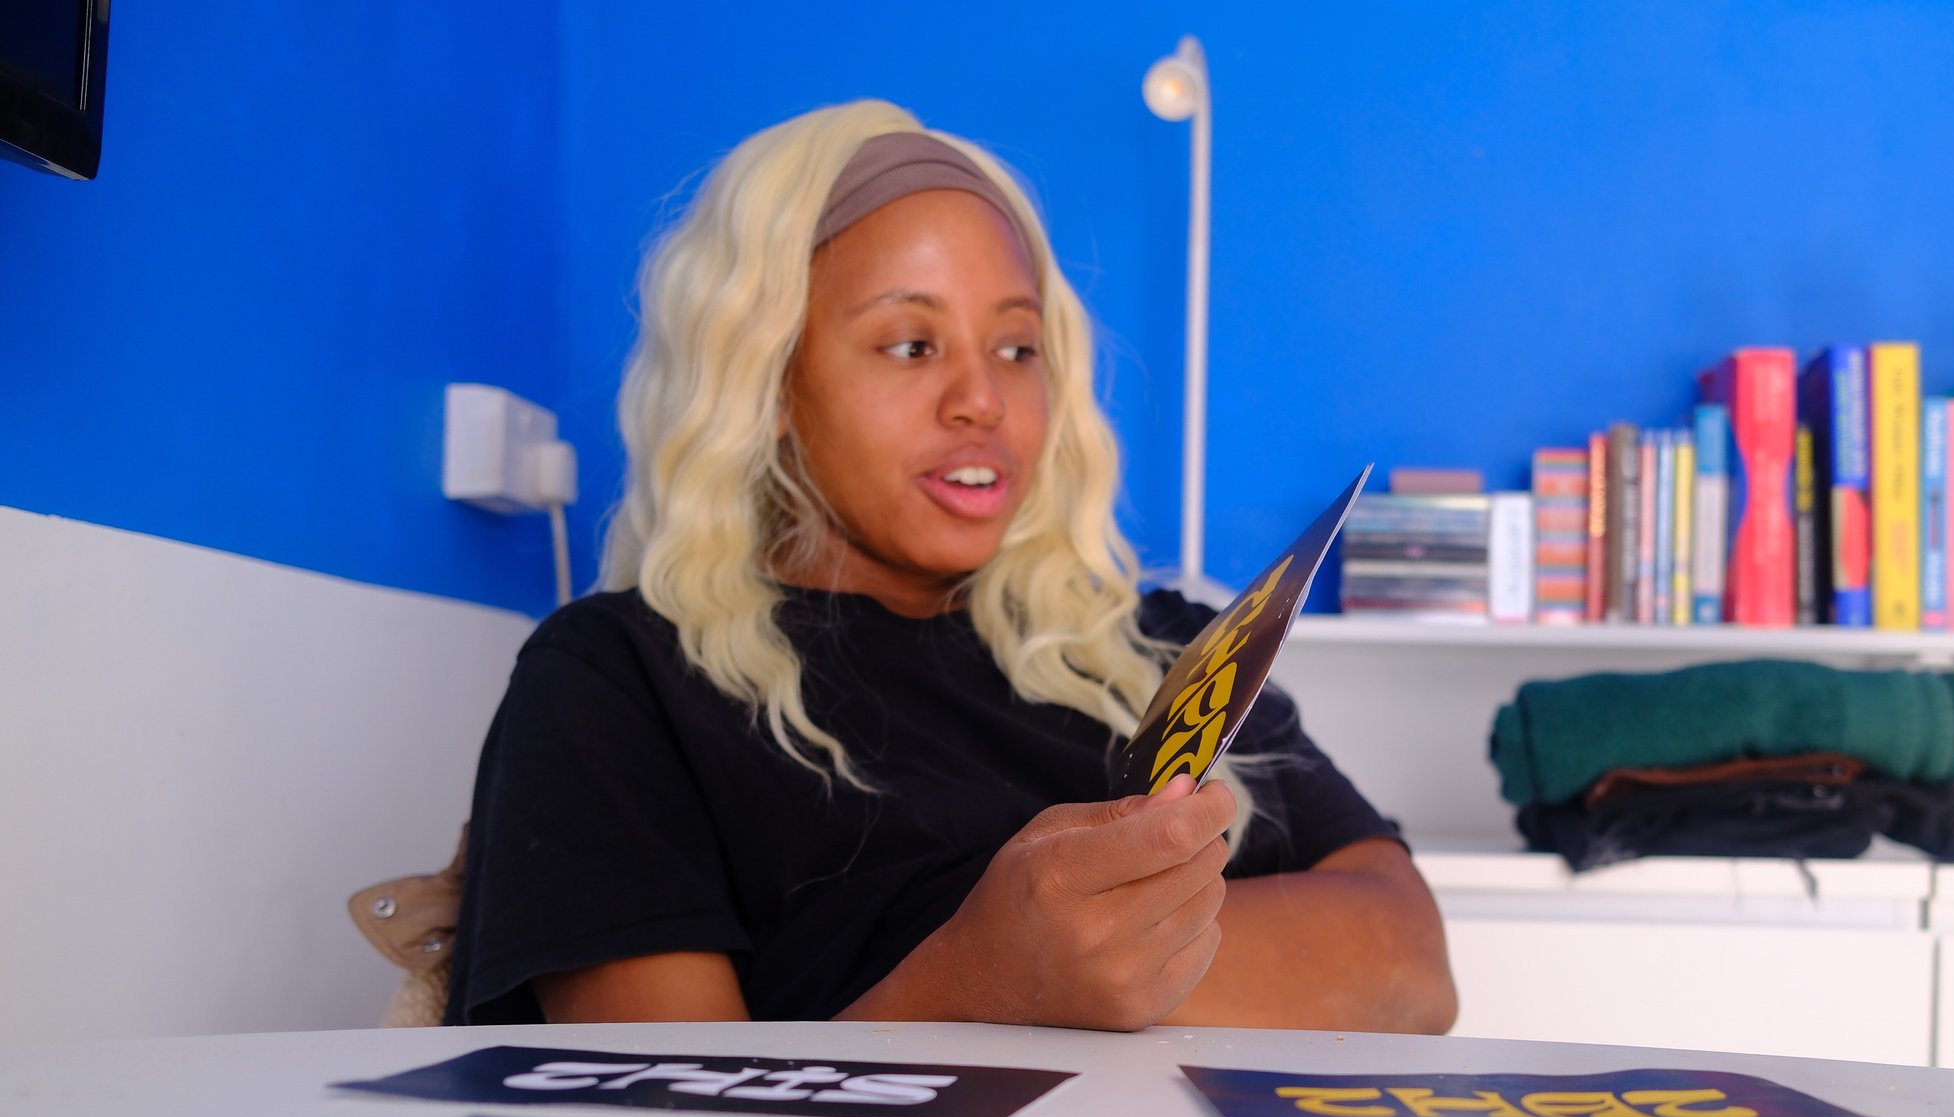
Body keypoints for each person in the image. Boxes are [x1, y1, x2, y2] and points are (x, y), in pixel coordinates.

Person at [445, 101, 1457, 1035]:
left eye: (1017, 349)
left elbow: (1409, 963)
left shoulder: (1163, 645)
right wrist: (979, 981)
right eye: (909, 343)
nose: (980, 398)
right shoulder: (617, 681)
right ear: (769, 380)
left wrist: (1099, 969)